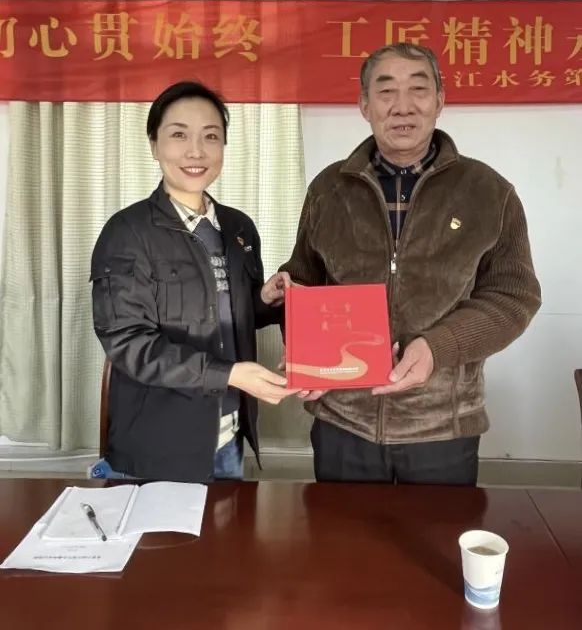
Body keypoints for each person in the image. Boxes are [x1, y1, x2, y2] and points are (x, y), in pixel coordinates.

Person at [281, 43, 541, 485]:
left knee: (438, 531)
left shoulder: (488, 192)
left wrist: (437, 347)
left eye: (418, 89)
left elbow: (514, 297)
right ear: (364, 105)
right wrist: (304, 342)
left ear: (440, 100)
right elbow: (306, 280)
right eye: (386, 91)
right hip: (344, 420)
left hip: (441, 423)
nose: (402, 105)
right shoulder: (329, 189)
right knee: (340, 531)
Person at [90, 80, 296, 483]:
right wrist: (229, 374)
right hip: (158, 445)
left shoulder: (238, 228)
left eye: (211, 136)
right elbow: (129, 344)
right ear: (154, 145)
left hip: (230, 437)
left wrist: (265, 299)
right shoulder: (127, 232)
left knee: (228, 525)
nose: (196, 151)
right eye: (179, 135)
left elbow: (229, 313)